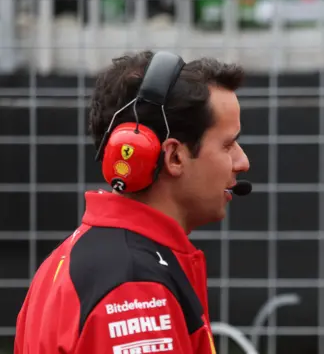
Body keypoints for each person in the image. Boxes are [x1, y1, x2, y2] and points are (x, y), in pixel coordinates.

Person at [15, 50, 250, 354]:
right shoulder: (135, 286)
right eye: (228, 144)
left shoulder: (73, 257)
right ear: (174, 156)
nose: (242, 161)